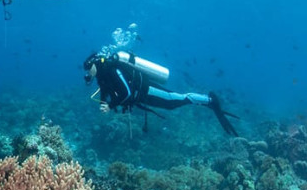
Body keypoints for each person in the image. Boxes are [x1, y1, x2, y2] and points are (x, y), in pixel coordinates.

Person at [82, 50, 239, 136]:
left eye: (88, 69)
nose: (88, 73)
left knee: (173, 100)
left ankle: (209, 99)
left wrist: (110, 106)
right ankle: (206, 102)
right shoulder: (102, 77)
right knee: (172, 103)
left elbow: (127, 93)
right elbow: (105, 91)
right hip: (142, 97)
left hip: (147, 90)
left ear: (94, 64)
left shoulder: (113, 70)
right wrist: (104, 102)